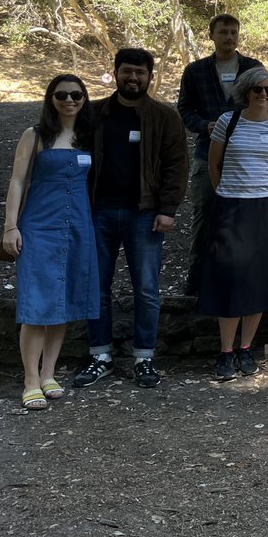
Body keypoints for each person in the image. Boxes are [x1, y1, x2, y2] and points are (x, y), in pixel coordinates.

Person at [73, 48, 187, 390]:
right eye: (127, 71)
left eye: (139, 72)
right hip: (98, 212)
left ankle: (144, 358)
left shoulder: (165, 117)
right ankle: (100, 356)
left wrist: (168, 209)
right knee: (97, 287)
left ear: (150, 76)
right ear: (116, 73)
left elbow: (176, 166)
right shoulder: (94, 114)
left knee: (147, 289)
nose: (133, 78)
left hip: (145, 213)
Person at [3, 75, 99, 410]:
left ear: (84, 98)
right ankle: (30, 380)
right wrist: (10, 227)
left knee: (63, 303)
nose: (69, 100)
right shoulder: (35, 135)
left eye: (76, 94)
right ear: (51, 98)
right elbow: (17, 181)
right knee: (36, 304)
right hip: (39, 227)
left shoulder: (88, 136)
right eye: (62, 95)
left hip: (77, 228)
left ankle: (49, 374)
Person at [197, 68, 268, 381]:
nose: (264, 95)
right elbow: (214, 165)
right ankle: (225, 351)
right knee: (230, 277)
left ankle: (246, 348)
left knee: (258, 278)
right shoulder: (228, 121)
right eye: (258, 89)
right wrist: (230, 191)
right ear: (246, 92)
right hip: (232, 207)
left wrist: (258, 187)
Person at [176, 14, 263, 295]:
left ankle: (240, 278)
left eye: (233, 32)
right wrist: (205, 125)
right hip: (206, 153)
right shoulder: (195, 71)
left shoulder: (252, 68)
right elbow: (184, 109)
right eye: (223, 32)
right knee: (205, 216)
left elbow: (266, 105)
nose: (229, 37)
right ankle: (196, 281)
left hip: (245, 156)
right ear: (211, 35)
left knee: (243, 218)